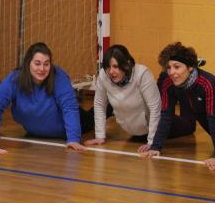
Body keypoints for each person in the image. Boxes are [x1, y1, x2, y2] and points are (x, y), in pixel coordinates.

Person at [0, 42, 93, 151]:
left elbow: (70, 107)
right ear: (28, 63)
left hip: (70, 123)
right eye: (37, 63)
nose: (42, 69)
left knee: (91, 118)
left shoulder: (59, 77)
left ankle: (109, 107)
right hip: (36, 131)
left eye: (46, 64)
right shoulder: (15, 79)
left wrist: (73, 140)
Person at [141, 42, 215, 170]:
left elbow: (213, 118)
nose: (171, 72)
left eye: (177, 67)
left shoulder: (207, 83)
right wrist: (155, 147)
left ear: (190, 67)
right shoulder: (168, 84)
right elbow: (165, 115)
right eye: (168, 67)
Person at [84, 45, 161, 153]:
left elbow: (155, 108)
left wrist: (152, 142)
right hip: (134, 132)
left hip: (157, 126)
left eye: (115, 66)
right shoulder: (103, 75)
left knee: (187, 126)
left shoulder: (142, 74)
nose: (111, 71)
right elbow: (99, 104)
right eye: (108, 67)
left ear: (127, 64)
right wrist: (100, 136)